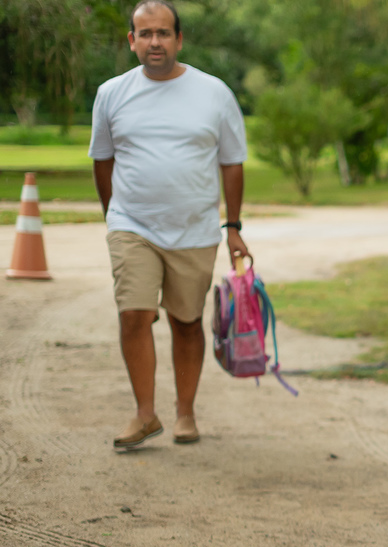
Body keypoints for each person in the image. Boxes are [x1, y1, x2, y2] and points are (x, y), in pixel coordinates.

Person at [89, 0, 250, 450]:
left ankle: (185, 412)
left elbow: (232, 162)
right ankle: (144, 414)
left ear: (179, 39)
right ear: (132, 41)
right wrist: (113, 215)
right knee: (134, 314)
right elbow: (102, 160)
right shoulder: (111, 93)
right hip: (132, 225)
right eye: (145, 34)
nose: (154, 42)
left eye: (162, 33)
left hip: (195, 230)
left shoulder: (213, 92)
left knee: (186, 321)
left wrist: (232, 226)